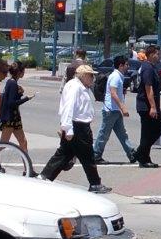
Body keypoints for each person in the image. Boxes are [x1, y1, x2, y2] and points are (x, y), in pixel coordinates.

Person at [39, 65, 110, 193]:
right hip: (78, 127)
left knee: (64, 154)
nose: (92, 78)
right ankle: (95, 184)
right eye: (90, 75)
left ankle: (44, 177)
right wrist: (68, 128)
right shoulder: (75, 87)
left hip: (78, 126)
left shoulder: (80, 87)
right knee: (87, 156)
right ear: (83, 75)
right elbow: (68, 107)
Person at [92, 56, 141, 166]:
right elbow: (113, 93)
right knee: (104, 134)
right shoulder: (115, 77)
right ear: (121, 65)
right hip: (110, 110)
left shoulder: (119, 76)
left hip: (115, 110)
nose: (128, 67)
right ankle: (96, 155)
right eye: (127, 64)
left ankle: (131, 154)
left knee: (122, 134)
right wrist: (122, 107)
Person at [135, 45, 161, 169]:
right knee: (152, 131)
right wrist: (153, 107)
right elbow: (148, 87)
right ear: (151, 54)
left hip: (151, 106)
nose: (159, 56)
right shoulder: (147, 68)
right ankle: (140, 154)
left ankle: (143, 156)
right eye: (157, 53)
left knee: (155, 130)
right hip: (146, 106)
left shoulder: (151, 67)